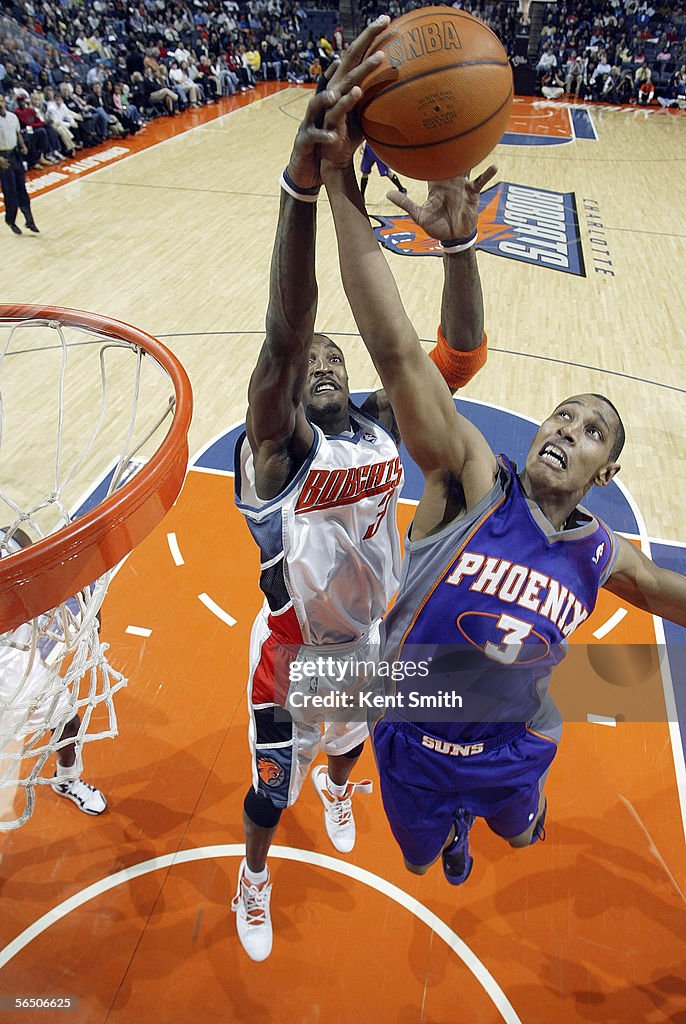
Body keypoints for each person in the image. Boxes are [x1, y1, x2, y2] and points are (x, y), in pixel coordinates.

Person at [320, 93, 686, 887]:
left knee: (524, 840)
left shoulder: (599, 552)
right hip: (415, 738)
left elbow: (664, 591)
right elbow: (397, 352)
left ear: (606, 474)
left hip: (514, 746)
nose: (563, 429)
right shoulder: (472, 484)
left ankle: (496, 814)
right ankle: (450, 831)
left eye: (590, 431)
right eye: (562, 415)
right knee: (422, 864)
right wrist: (339, 182)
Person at [231, 17, 490, 962]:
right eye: (315, 360)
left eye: (341, 357)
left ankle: (340, 783)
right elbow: (287, 327)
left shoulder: (382, 418)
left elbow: (457, 357)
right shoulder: (276, 448)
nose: (326, 362)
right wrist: (306, 186)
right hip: (290, 657)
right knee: (267, 791)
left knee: (346, 753)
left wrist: (459, 249)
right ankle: (252, 879)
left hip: (373, 638)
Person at [0, 528, 106, 815]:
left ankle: (67, 779)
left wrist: (86, 604)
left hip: (25, 667)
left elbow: (49, 573)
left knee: (68, 724)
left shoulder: (11, 540)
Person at [0, 93, 39, 235]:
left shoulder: (12, 117)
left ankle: (29, 220)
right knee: (10, 191)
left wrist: (22, 145)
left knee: (21, 187)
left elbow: (18, 133)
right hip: (3, 157)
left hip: (14, 154)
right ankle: (10, 220)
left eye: (1, 100)